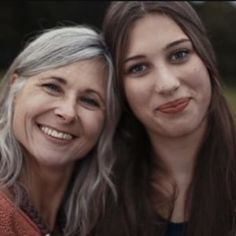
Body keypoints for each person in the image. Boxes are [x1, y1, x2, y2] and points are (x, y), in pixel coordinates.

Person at [101, 1, 236, 236]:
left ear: (205, 56)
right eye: (138, 68)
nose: (167, 84)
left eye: (179, 54)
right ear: (119, 88)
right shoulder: (96, 196)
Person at [0, 25, 120, 236]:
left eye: (89, 100)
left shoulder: (101, 218)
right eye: (53, 87)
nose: (68, 112)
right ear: (15, 89)